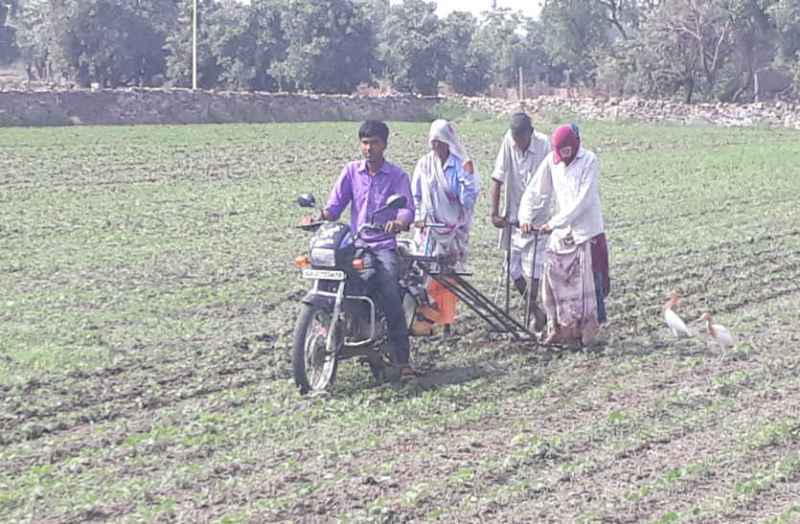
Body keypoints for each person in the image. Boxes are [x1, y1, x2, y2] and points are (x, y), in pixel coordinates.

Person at [320, 120, 417, 377]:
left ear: (384, 144)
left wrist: (399, 222)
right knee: (330, 278)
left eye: (374, 142)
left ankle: (402, 359)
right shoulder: (352, 171)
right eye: (364, 142)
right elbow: (335, 205)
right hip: (356, 244)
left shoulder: (397, 176)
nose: (368, 148)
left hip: (382, 245)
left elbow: (407, 208)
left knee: (388, 290)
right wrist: (320, 215)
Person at [519, 123, 610, 346]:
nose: (564, 158)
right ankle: (557, 328)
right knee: (551, 279)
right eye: (561, 154)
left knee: (587, 288)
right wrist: (525, 217)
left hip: (586, 231)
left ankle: (589, 333)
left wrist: (554, 222)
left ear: (575, 147)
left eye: (567, 152)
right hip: (562, 233)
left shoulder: (589, 161)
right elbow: (535, 190)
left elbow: (583, 200)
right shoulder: (552, 161)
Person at [411, 119, 480, 336]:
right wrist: (420, 217)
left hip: (453, 230)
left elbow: (467, 202)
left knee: (448, 279)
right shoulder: (424, 164)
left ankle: (447, 322)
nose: (435, 147)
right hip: (430, 229)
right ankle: (428, 321)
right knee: (425, 275)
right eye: (433, 142)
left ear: (448, 142)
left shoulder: (459, 166)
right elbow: (416, 195)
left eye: (439, 142)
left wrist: (468, 178)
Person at [490, 112, 550, 330]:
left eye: (521, 140)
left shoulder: (544, 145)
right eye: (515, 140)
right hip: (514, 218)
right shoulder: (508, 141)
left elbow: (546, 185)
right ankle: (535, 311)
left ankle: (533, 313)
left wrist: (532, 218)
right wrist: (495, 214)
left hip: (538, 218)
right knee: (512, 268)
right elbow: (498, 178)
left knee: (534, 271)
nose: (518, 144)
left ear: (530, 134)